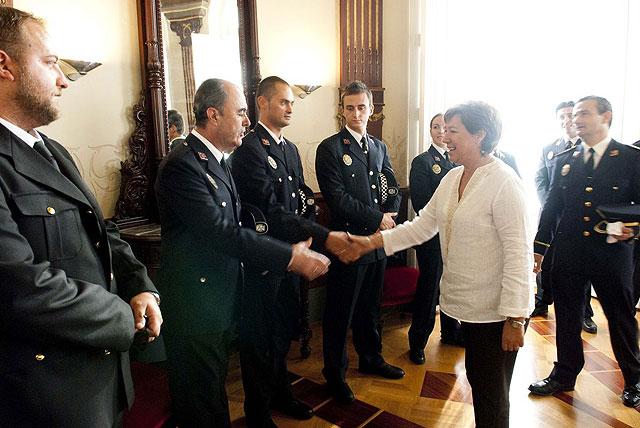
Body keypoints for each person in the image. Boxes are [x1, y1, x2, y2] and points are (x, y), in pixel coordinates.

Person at [0, 7, 162, 428]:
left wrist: (141, 287)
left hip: (99, 377)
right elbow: (23, 288)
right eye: (51, 63)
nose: (63, 79)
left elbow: (102, 231)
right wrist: (126, 318)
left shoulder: (52, 151)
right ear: (5, 65)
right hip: (45, 393)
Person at [154, 78, 330, 428]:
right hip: (194, 306)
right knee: (203, 407)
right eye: (240, 112)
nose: (246, 121)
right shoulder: (183, 164)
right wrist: (289, 256)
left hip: (216, 299)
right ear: (213, 115)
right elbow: (221, 232)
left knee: (213, 398)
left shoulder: (217, 161)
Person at [349, 101, 533, 428]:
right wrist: (369, 243)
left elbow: (519, 255)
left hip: (498, 312)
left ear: (481, 135)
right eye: (445, 130)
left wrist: (516, 319)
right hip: (472, 307)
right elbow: (422, 226)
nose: (445, 137)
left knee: (492, 393)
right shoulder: (453, 178)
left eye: (453, 131)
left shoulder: (504, 183)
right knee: (480, 381)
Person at [230, 76, 354, 427]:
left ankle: (282, 392)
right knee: (259, 338)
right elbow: (270, 211)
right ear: (262, 103)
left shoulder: (289, 149)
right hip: (265, 259)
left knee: (283, 330)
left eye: (292, 103)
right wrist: (322, 236)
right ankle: (257, 410)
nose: (289, 108)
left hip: (294, 255)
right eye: (283, 102)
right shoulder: (250, 149)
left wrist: (308, 235)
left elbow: (302, 199)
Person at [528, 96, 640, 408]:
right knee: (566, 316)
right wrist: (539, 248)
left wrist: (635, 227)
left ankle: (634, 379)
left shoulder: (630, 157)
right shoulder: (565, 159)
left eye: (584, 113)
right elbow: (552, 206)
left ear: (606, 117)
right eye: (575, 114)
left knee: (621, 318)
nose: (576, 118)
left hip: (612, 255)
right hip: (569, 253)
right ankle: (564, 374)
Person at [315, 80, 404, 404]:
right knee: (340, 311)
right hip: (349, 242)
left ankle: (371, 358)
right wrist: (376, 219)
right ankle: (335, 374)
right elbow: (336, 198)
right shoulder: (331, 148)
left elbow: (390, 184)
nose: (356, 113)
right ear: (341, 111)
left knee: (370, 308)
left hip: (377, 241)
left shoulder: (378, 147)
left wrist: (391, 213)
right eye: (349, 107)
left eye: (361, 107)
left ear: (371, 109)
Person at [532, 101, 597, 334]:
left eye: (571, 115)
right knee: (546, 261)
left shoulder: (589, 148)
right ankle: (541, 302)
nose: (567, 120)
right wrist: (548, 203)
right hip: (551, 213)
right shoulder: (551, 149)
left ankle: (585, 313)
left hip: (578, 218)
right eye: (562, 117)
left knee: (582, 266)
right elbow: (540, 179)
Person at [408, 113, 463, 366]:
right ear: (430, 131)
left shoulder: (458, 162)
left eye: (447, 128)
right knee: (429, 289)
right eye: (437, 126)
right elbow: (421, 204)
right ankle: (417, 341)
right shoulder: (423, 162)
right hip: (431, 237)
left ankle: (450, 332)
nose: (442, 131)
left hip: (456, 238)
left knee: (452, 285)